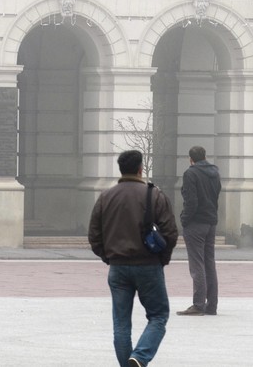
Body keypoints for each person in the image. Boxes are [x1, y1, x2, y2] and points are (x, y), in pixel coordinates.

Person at [88, 150, 178, 367]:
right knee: (158, 315)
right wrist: (162, 259)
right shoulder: (155, 195)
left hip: (118, 267)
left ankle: (129, 362)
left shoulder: (106, 197)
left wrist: (108, 257)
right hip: (148, 265)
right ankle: (139, 356)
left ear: (121, 169)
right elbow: (170, 233)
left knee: (121, 324)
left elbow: (94, 236)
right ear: (140, 169)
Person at [177, 146, 222, 316]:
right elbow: (216, 195)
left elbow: (191, 201)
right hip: (211, 222)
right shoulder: (215, 173)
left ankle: (198, 305)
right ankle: (212, 305)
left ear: (191, 159)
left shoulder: (191, 174)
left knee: (197, 265)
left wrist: (184, 219)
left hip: (196, 223)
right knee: (209, 263)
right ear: (204, 156)